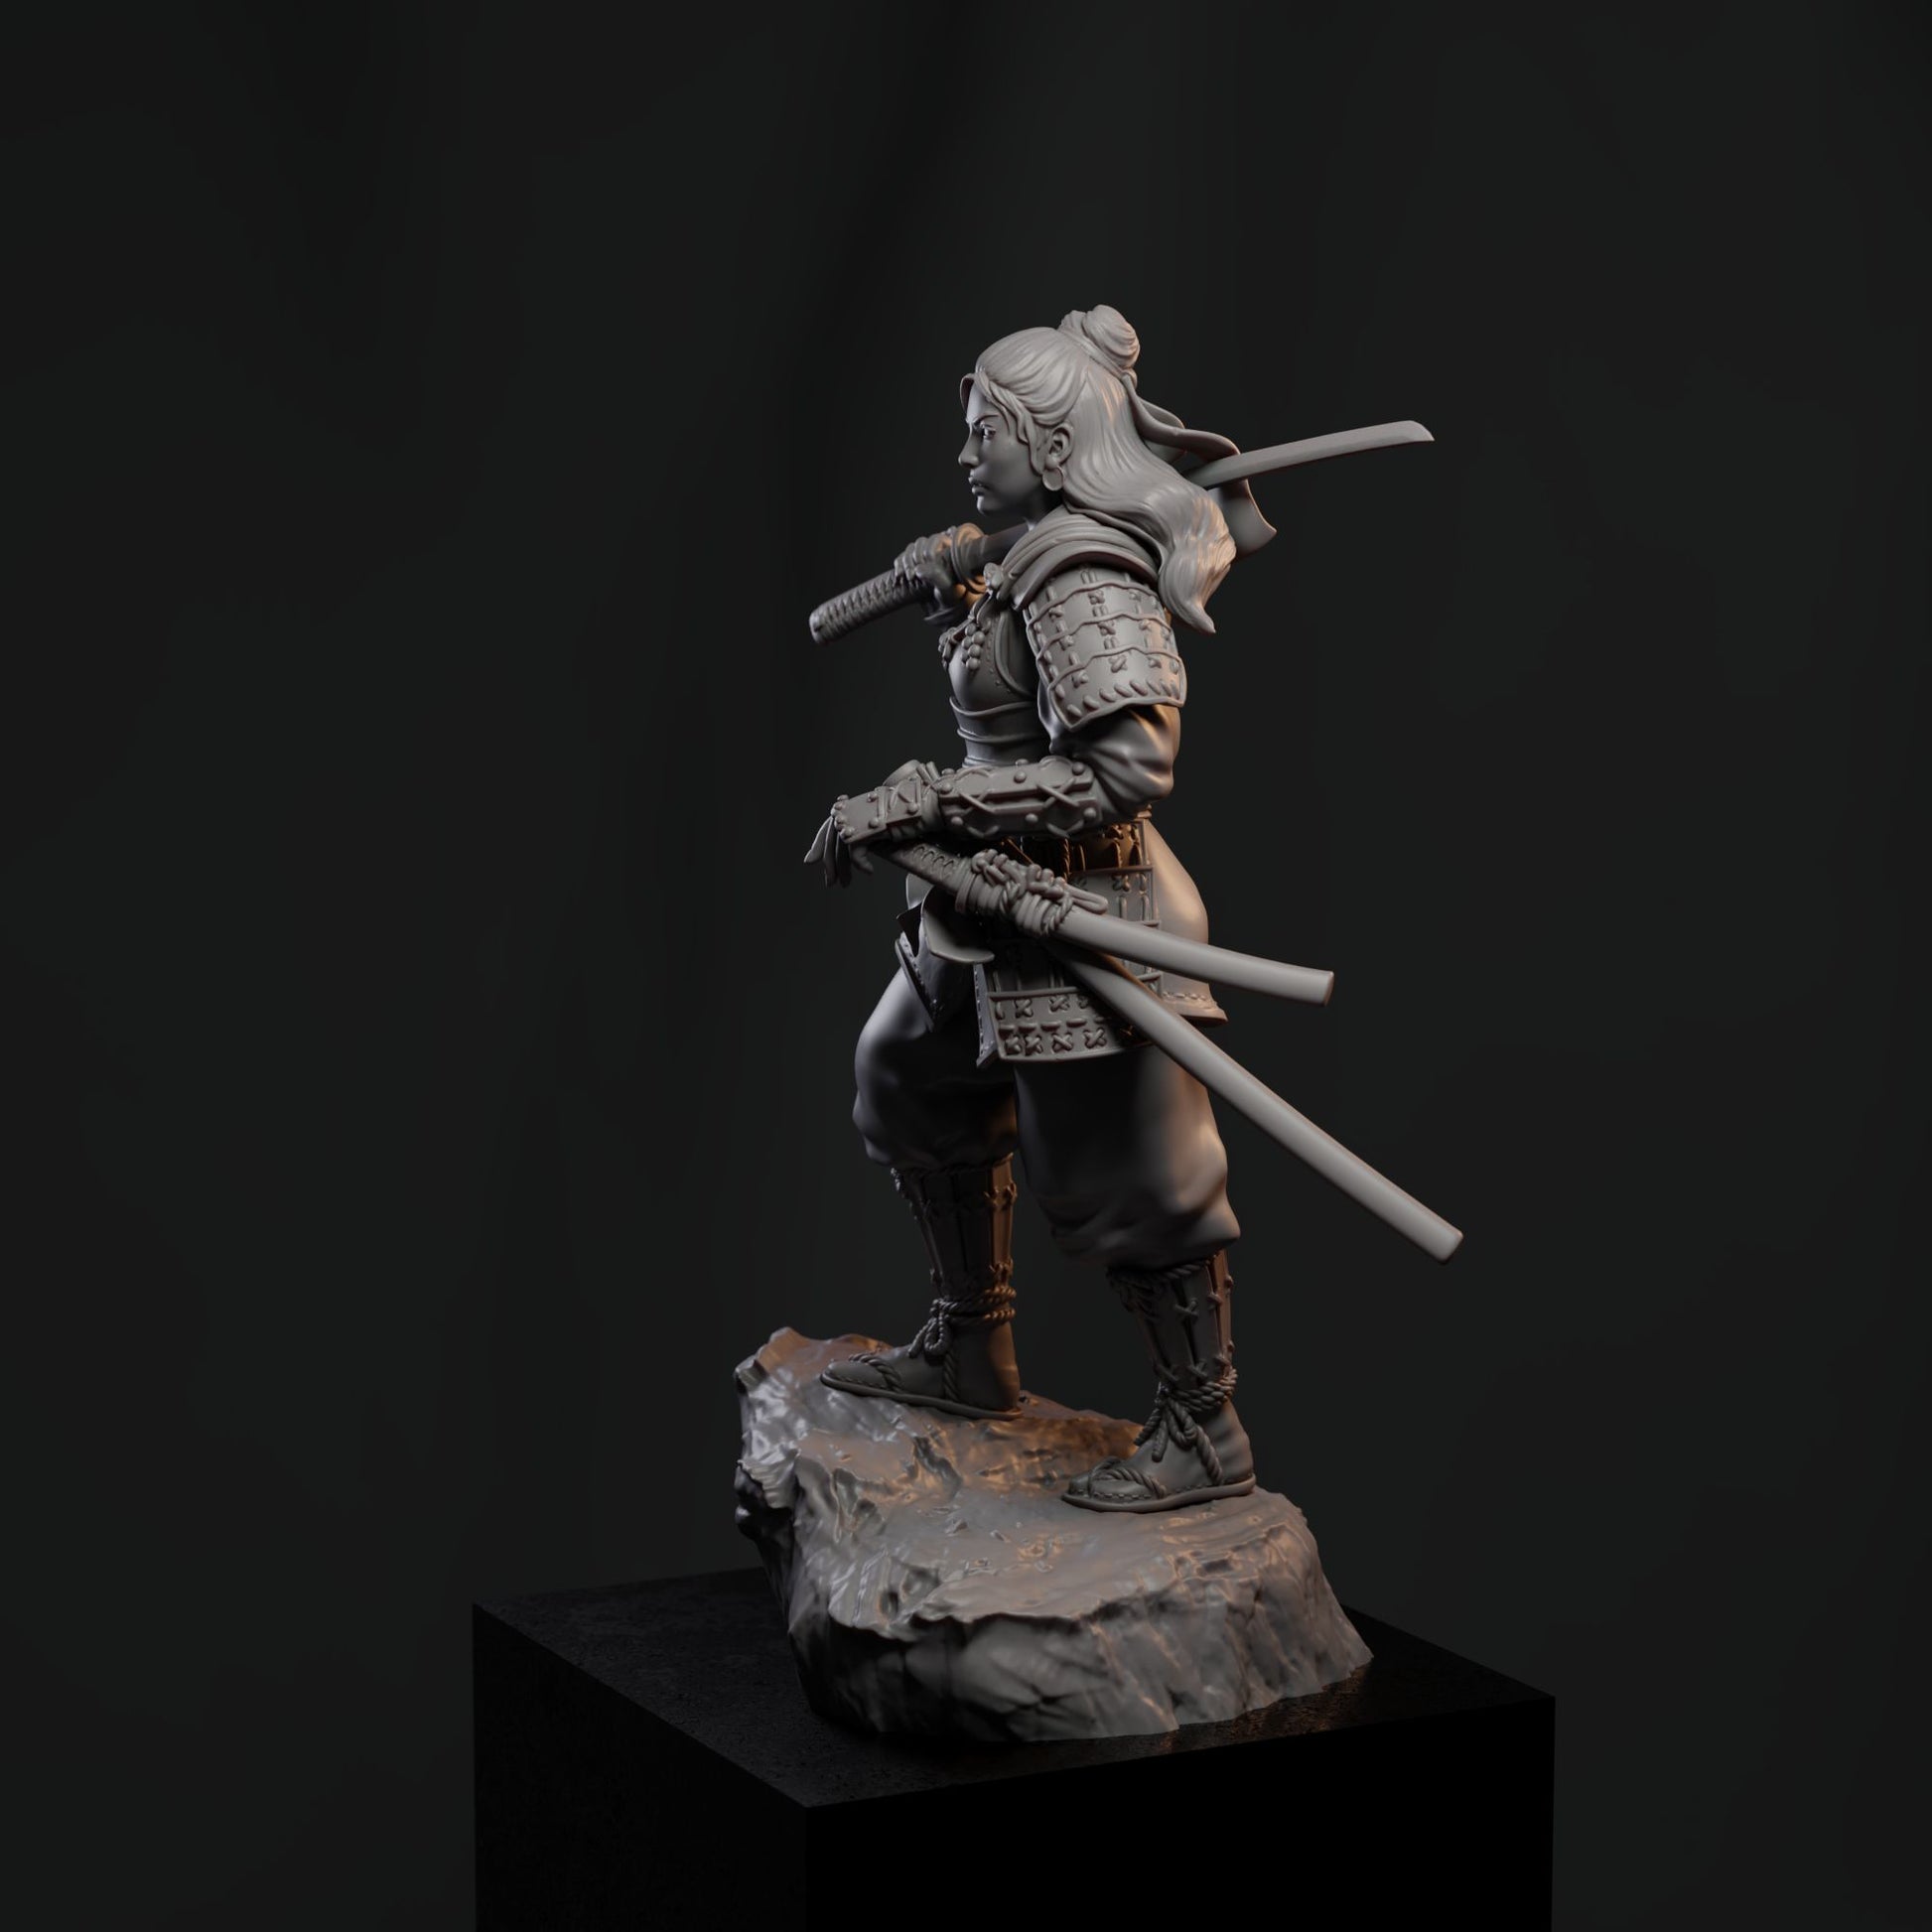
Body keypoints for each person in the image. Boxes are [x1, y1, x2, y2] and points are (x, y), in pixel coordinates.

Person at [803, 305, 1278, 1514]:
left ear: (1053, 446)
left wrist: (930, 797)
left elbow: (1126, 768)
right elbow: (1011, 689)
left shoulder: (1079, 576)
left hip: (1086, 904)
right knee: (906, 1084)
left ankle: (1203, 1426)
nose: (965, 455)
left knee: (1132, 1179)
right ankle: (970, 1348)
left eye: (988, 433)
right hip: (983, 905)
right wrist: (958, 580)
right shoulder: (1028, 556)